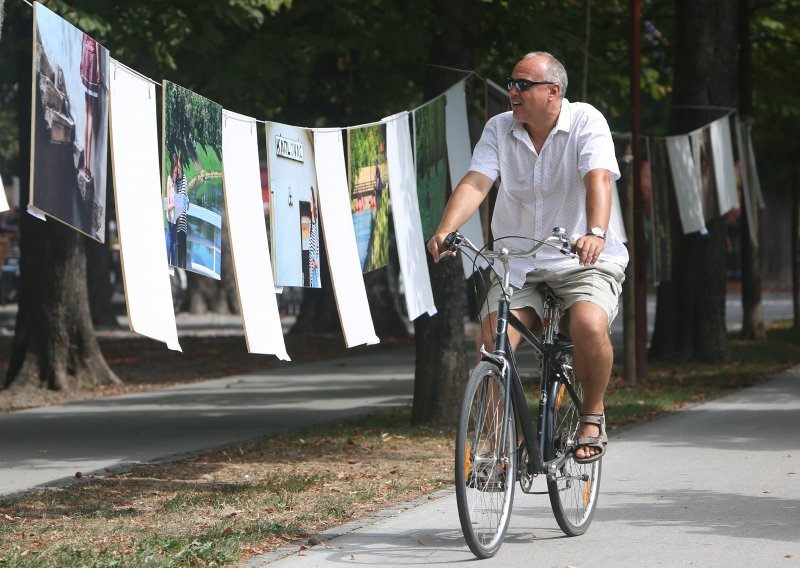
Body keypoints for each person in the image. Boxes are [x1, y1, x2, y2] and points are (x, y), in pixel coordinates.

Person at [427, 52, 628, 464]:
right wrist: (446, 229)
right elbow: (478, 181)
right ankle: (501, 445)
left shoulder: (587, 122)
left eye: (522, 84)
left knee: (589, 323)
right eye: (512, 82)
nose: (512, 91)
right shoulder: (499, 128)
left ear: (552, 92)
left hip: (580, 258)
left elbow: (599, 178)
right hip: (517, 262)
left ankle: (592, 415)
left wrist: (595, 231)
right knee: (491, 343)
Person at [79, 33, 100, 180]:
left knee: (89, 115)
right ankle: (87, 164)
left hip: (89, 60)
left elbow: (85, 42)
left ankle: (88, 164)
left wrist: (96, 67)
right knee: (88, 114)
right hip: (89, 60)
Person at [175, 158, 190, 269]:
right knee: (180, 249)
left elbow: (184, 195)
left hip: (183, 220)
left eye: (180, 169)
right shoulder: (177, 181)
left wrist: (187, 200)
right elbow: (178, 198)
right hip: (179, 220)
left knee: (183, 249)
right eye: (177, 169)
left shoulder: (183, 179)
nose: (179, 171)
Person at [166, 158, 179, 264]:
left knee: (174, 242)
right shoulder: (169, 181)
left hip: (176, 218)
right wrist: (173, 205)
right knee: (170, 242)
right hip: (171, 218)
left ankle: (173, 265)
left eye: (177, 172)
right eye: (174, 172)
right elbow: (168, 205)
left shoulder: (176, 184)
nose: (176, 174)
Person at [308, 187, 320, 288]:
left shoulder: (316, 222)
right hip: (312, 263)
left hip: (316, 262)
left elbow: (317, 244)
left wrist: (316, 261)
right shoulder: (309, 223)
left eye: (311, 199)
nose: (309, 202)